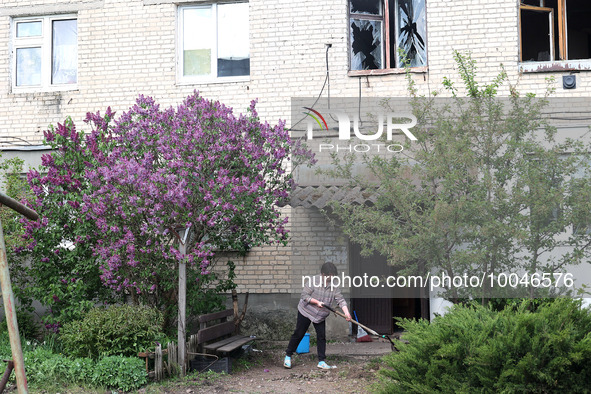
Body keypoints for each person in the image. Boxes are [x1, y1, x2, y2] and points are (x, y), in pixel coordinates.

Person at [284, 262, 351, 369]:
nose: (331, 278)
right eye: (329, 275)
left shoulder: (334, 285)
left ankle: (321, 361)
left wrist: (346, 312)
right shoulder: (313, 281)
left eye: (333, 275)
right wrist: (316, 302)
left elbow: (340, 299)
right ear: (323, 274)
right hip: (306, 311)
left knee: (321, 336)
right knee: (299, 333)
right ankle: (288, 355)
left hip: (320, 315)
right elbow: (304, 295)